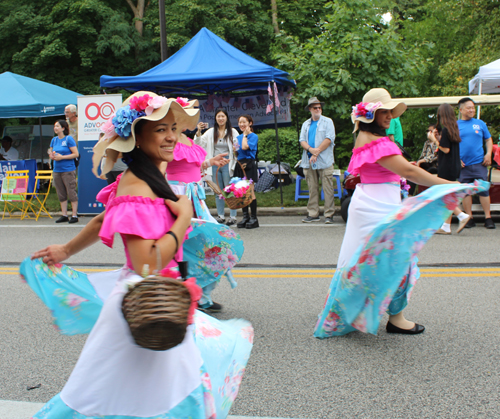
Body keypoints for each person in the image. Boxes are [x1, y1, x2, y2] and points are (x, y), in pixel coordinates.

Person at [21, 91, 253, 419]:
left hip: (160, 302)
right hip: (145, 305)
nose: (172, 136)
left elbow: (106, 217)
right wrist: (184, 218)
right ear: (136, 138)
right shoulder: (138, 185)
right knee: (101, 401)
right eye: (160, 130)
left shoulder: (150, 177)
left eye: (173, 127)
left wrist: (66, 249)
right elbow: (148, 263)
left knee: (160, 395)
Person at [314, 88, 488, 339]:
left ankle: (352, 313)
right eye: (383, 111)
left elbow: (399, 170)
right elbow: (411, 173)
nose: (389, 116)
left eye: (390, 111)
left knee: (364, 261)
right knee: (396, 260)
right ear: (370, 115)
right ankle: (395, 319)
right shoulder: (377, 141)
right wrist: (453, 186)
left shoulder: (363, 136)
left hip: (370, 201)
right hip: (379, 204)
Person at [167, 130, 243, 313]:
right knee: (183, 249)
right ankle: (187, 296)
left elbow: (192, 167)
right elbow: (160, 168)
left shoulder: (188, 139)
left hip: (195, 201)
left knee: (214, 245)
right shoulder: (166, 138)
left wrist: (210, 162)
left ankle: (201, 295)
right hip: (177, 199)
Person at [195, 109, 240, 225]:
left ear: (226, 118)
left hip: (228, 164)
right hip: (215, 165)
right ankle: (220, 216)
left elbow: (237, 147)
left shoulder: (233, 131)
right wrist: (199, 131)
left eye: (223, 116)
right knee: (218, 191)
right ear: (215, 118)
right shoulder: (210, 132)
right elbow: (199, 143)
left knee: (229, 190)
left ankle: (233, 216)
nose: (220, 118)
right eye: (218, 116)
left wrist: (235, 151)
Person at [457, 97, 496, 229]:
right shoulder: (456, 125)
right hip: (463, 165)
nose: (471, 110)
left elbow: (488, 140)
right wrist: (456, 159)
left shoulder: (480, 123)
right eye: (468, 107)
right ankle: (469, 217)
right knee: (466, 191)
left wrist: (488, 154)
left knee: (483, 190)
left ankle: (488, 217)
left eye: (473, 107)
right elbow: (452, 145)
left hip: (480, 163)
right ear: (461, 110)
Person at [432, 104, 470, 235]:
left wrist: (434, 140)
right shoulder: (454, 128)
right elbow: (448, 146)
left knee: (444, 194)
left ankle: (461, 215)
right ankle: (446, 226)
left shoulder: (446, 129)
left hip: (446, 167)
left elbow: (445, 149)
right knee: (448, 194)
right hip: (454, 166)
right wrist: (439, 139)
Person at [299, 97, 336, 224]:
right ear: (310, 109)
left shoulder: (328, 121)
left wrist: (316, 151)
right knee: (312, 188)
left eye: (319, 107)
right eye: (315, 107)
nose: (318, 109)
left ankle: (329, 214)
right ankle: (313, 213)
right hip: (308, 161)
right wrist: (310, 150)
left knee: (328, 188)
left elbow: (329, 139)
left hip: (324, 160)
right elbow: (302, 140)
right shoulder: (305, 124)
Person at [49, 120, 79, 223]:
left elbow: (76, 154)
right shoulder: (54, 140)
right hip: (57, 170)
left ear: (63, 128)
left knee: (71, 192)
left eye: (57, 126)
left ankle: (74, 215)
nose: (55, 128)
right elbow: (51, 151)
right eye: (54, 126)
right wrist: (51, 155)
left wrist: (63, 157)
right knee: (61, 193)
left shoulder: (68, 139)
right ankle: (64, 214)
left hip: (68, 170)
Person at [234, 114, 259, 229]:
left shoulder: (253, 136)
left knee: (250, 191)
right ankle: (245, 216)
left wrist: (245, 135)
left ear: (250, 123)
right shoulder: (238, 137)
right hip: (240, 165)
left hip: (249, 164)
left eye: (244, 122)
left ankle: (254, 218)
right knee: (241, 192)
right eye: (240, 122)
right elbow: (236, 152)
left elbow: (244, 147)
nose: (242, 124)